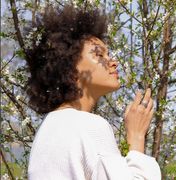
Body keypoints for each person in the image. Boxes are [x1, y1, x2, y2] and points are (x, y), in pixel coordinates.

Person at [25, 4, 161, 179]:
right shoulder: (88, 125)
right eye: (98, 55)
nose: (113, 62)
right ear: (70, 70)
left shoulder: (47, 130)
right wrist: (136, 136)